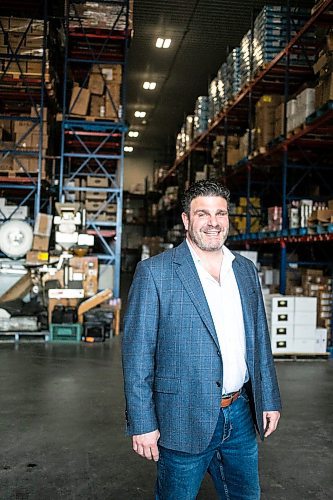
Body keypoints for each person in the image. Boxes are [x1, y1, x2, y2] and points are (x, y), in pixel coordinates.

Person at [122, 179, 281, 499]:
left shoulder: (245, 270)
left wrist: (269, 398)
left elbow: (260, 340)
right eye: (203, 214)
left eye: (220, 213)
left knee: (246, 496)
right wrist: (142, 423)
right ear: (186, 220)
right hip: (182, 416)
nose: (213, 222)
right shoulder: (155, 272)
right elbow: (138, 355)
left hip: (239, 413)